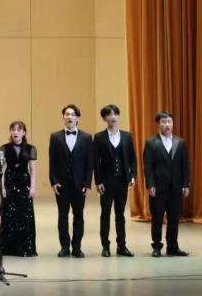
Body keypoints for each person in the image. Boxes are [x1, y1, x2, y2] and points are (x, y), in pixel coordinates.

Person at [143, 110, 190, 257]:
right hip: (158, 188)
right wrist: (150, 185)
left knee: (174, 219)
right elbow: (148, 166)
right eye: (164, 122)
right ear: (158, 124)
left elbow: (185, 166)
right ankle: (157, 246)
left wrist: (186, 184)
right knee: (157, 218)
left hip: (176, 188)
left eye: (169, 122)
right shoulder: (151, 143)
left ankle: (172, 247)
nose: (167, 125)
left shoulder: (180, 142)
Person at [48, 104, 93, 258]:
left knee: (79, 216)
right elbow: (52, 162)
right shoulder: (55, 137)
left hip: (80, 185)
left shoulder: (87, 138)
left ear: (77, 118)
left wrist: (87, 183)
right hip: (62, 184)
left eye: (72, 114)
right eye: (67, 114)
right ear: (63, 117)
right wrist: (54, 181)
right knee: (62, 216)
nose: (69, 117)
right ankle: (64, 247)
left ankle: (77, 247)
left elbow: (89, 163)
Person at [93, 104, 136, 257]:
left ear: (118, 116)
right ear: (104, 118)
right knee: (105, 213)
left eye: (115, 114)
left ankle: (121, 246)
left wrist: (133, 175)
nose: (113, 117)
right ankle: (105, 246)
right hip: (106, 182)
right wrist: (98, 181)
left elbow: (132, 159)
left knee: (120, 214)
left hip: (122, 181)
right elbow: (96, 162)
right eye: (109, 115)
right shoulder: (99, 137)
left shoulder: (127, 136)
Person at [0, 121, 37, 257]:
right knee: (8, 214)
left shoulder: (30, 148)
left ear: (24, 133)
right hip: (9, 182)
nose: (15, 132)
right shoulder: (4, 148)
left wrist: (33, 187)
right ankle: (9, 248)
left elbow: (33, 170)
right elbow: (2, 169)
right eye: (13, 130)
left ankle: (25, 247)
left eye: (19, 130)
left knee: (24, 214)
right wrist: (2, 186)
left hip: (24, 183)